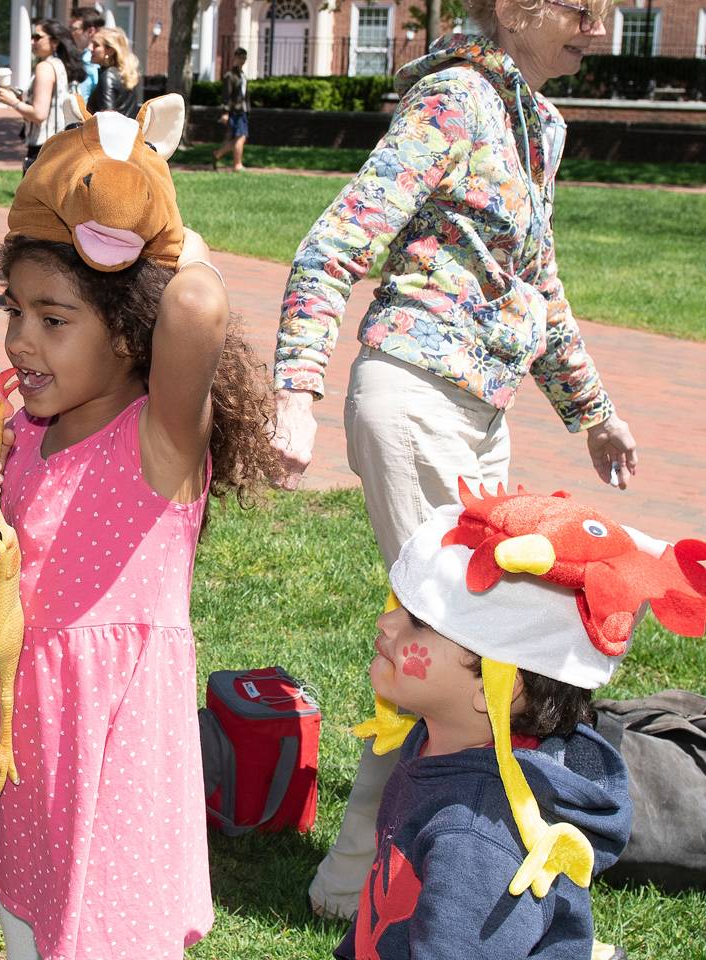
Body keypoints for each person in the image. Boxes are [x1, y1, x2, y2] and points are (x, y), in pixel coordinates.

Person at [270, 0, 640, 919]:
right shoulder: (453, 104)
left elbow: (538, 286)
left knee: (445, 648)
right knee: (463, 648)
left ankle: (367, 875)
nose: (603, 32)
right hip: (414, 400)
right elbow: (332, 245)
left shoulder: (534, 123)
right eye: (587, 12)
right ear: (520, 11)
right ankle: (381, 878)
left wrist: (594, 414)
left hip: (480, 413)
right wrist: (295, 391)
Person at [0, 102, 280, 958]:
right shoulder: (24, 428)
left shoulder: (159, 440)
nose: (22, 340)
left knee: (106, 936)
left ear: (132, 330)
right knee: (28, 926)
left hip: (113, 752)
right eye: (13, 310)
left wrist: (163, 240)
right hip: (29, 739)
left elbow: (198, 305)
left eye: (54, 320)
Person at [335, 482, 706, 958]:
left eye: (420, 623)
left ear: (498, 686)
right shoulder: (434, 741)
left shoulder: (476, 841)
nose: (386, 625)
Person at [0, 19, 86, 172]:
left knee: (32, 196)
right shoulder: (59, 64)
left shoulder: (44, 67)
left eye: (38, 37)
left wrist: (12, 102)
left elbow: (39, 114)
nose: (33, 41)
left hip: (42, 147)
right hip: (59, 144)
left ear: (55, 42)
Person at [86, 26, 141, 117]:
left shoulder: (108, 75)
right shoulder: (124, 74)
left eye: (96, 45)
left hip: (110, 130)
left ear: (110, 50)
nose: (91, 49)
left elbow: (108, 118)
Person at [211, 47, 249, 171]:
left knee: (238, 138)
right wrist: (225, 112)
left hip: (242, 110)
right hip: (234, 111)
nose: (242, 60)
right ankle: (237, 165)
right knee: (240, 137)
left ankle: (217, 154)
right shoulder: (230, 76)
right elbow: (226, 96)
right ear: (235, 58)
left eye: (244, 57)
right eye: (240, 57)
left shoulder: (242, 75)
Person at [69, 8, 105, 100]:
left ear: (90, 31)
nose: (71, 33)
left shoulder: (91, 60)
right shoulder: (84, 57)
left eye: (75, 29)